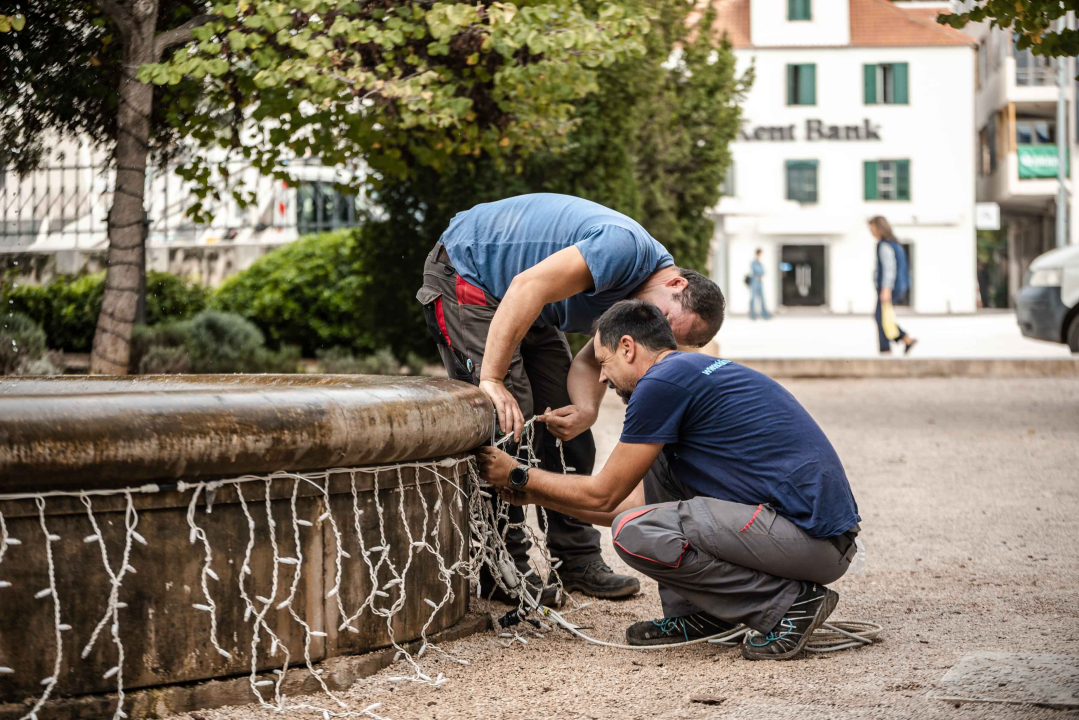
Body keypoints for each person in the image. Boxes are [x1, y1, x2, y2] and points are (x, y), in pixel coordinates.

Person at [477, 300, 861, 660]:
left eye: (603, 362)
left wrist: (518, 473)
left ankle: (790, 603)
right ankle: (700, 614)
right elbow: (630, 504)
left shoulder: (660, 384)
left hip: (813, 542)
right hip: (811, 538)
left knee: (634, 533)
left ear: (628, 347)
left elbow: (605, 497)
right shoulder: (686, 371)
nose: (602, 376)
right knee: (653, 491)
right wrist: (538, 495)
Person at [415, 193, 726, 603]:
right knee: (508, 418)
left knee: (567, 425)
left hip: (528, 305)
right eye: (666, 320)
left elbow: (593, 358)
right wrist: (491, 378)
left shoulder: (637, 302)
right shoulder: (623, 248)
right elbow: (526, 285)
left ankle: (576, 558)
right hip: (470, 274)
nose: (657, 332)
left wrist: (587, 409)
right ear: (676, 284)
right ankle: (502, 566)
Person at [868, 216, 916, 355]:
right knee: (884, 316)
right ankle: (905, 339)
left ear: (879, 228)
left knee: (881, 317)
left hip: (890, 288)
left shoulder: (884, 245)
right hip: (898, 286)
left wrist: (886, 289)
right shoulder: (895, 244)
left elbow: (889, 269)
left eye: (872, 228)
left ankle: (886, 350)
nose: (871, 231)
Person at [748, 248, 771, 320]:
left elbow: (763, 271)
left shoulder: (759, 262)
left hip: (759, 282)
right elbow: (759, 271)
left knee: (762, 298)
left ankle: (764, 313)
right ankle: (752, 314)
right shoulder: (754, 262)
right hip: (755, 282)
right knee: (753, 298)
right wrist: (761, 272)